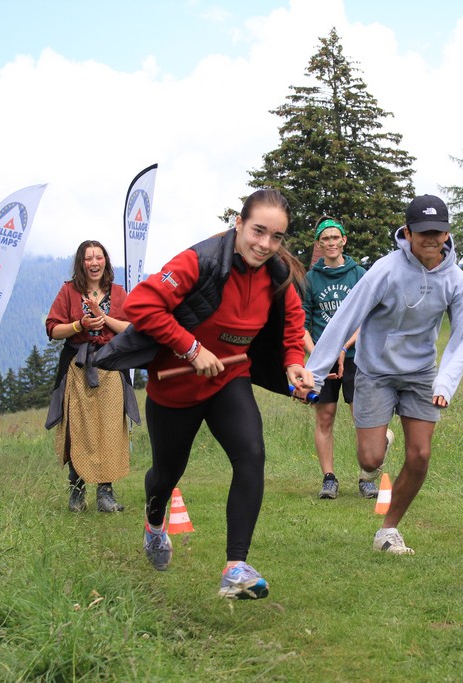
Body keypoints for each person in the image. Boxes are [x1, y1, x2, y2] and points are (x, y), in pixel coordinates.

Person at [122, 188, 313, 600]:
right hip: (175, 386)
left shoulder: (277, 273)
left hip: (230, 379)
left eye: (276, 236)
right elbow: (142, 305)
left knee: (251, 453)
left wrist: (293, 361)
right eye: (258, 231)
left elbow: (292, 322)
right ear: (239, 223)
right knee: (167, 474)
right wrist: (190, 347)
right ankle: (155, 525)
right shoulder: (200, 260)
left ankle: (235, 566)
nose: (265, 244)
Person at [303, 195, 463, 555]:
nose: (431, 239)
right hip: (375, 371)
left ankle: (389, 529)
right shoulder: (385, 270)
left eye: (439, 232)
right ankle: (379, 444)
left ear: (446, 234)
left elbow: (462, 337)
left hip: (420, 374)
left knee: (421, 456)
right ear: (408, 232)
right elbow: (345, 317)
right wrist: (314, 375)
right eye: (424, 232)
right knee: (369, 459)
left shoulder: (456, 280)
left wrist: (444, 383)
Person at [45, 240, 138, 513]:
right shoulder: (69, 291)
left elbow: (132, 328)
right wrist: (79, 325)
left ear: (105, 262)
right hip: (78, 367)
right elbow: (52, 329)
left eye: (99, 257)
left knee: (109, 429)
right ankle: (77, 491)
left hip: (110, 367)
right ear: (81, 263)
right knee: (79, 429)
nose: (94, 263)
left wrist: (104, 318)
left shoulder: (118, 293)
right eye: (89, 258)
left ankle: (105, 494)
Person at [301, 216, 390, 500]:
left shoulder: (360, 274)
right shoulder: (310, 279)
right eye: (324, 239)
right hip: (321, 360)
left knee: (361, 418)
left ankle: (366, 477)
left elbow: (367, 318)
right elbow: (301, 324)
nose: (330, 243)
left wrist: (341, 349)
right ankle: (329, 478)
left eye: (334, 237)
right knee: (325, 417)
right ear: (319, 244)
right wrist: (320, 357)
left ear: (343, 241)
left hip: (356, 357)